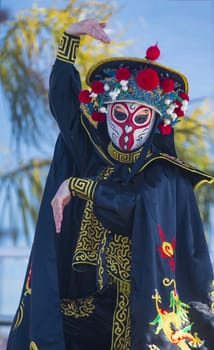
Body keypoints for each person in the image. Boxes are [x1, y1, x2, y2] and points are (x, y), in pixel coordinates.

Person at [7, 19, 214, 350]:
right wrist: (69, 42)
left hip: (140, 308)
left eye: (140, 117)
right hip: (91, 303)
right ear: (106, 113)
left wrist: (77, 186)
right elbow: (66, 110)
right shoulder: (94, 157)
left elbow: (128, 204)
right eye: (120, 114)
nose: (128, 128)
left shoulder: (164, 173)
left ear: (155, 123)